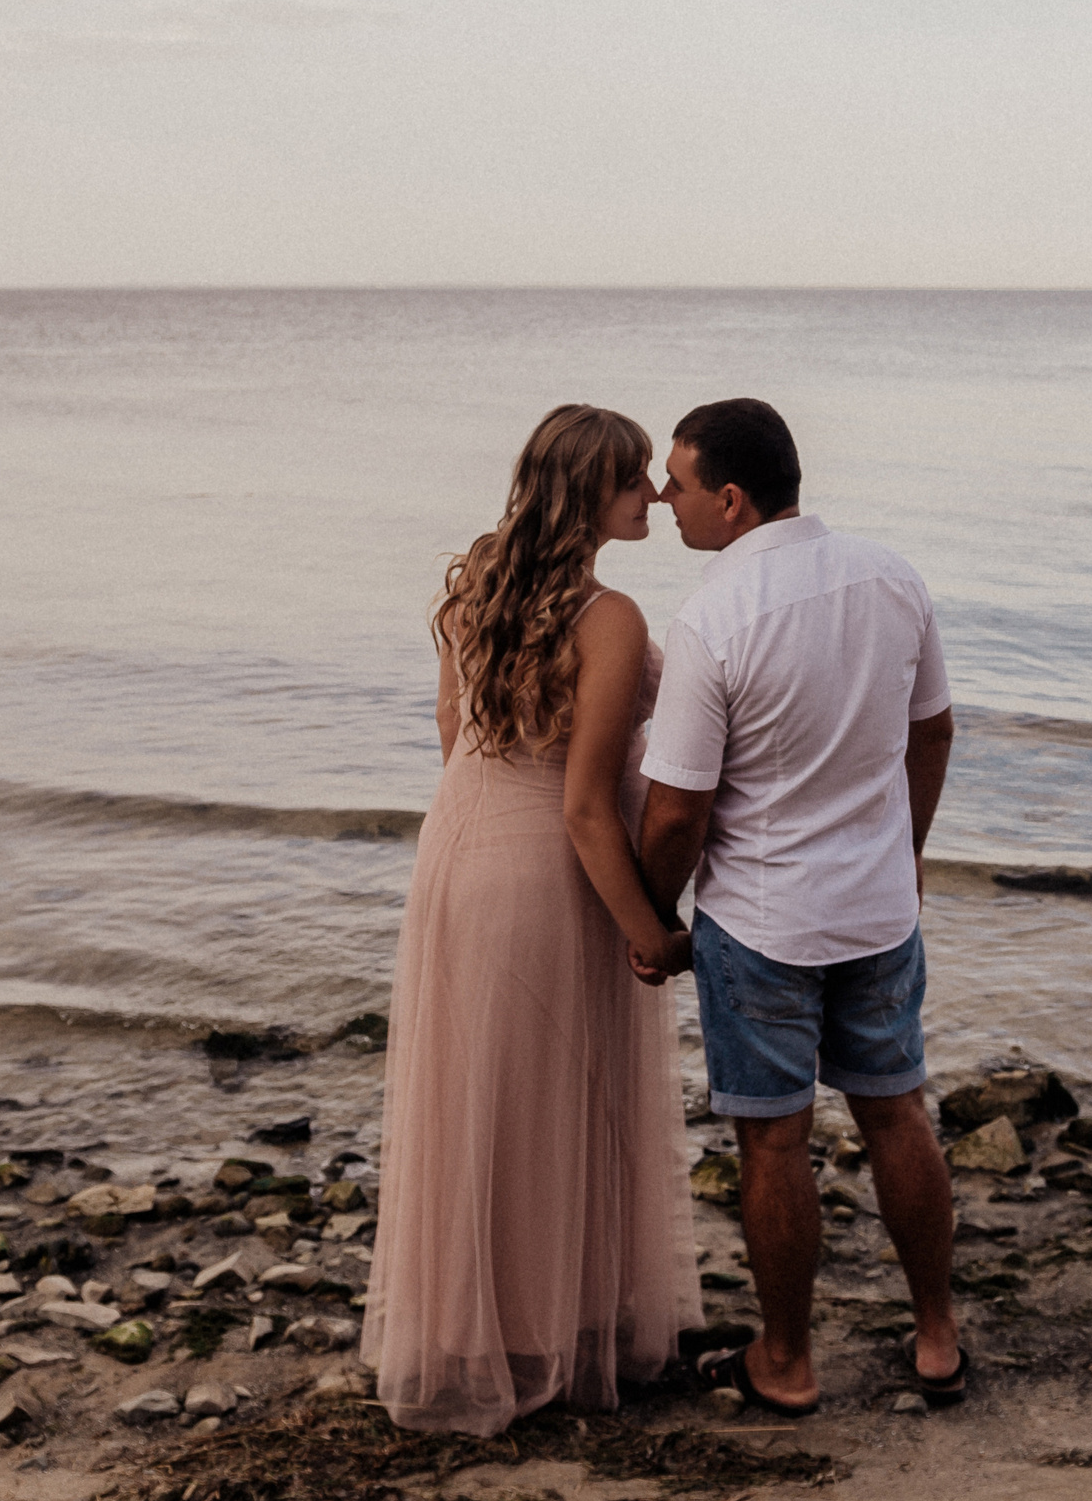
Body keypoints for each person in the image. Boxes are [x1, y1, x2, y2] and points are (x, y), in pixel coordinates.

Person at [364, 403, 703, 1437]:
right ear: (585, 492)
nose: (650, 493)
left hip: (454, 847)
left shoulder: (475, 582)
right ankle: (551, 1325)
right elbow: (586, 803)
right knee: (556, 1085)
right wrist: (648, 926)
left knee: (479, 1088)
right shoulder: (610, 618)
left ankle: (488, 1320)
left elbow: (451, 733)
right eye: (633, 477)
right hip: (543, 867)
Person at [635, 397, 964, 1416]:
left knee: (773, 1140)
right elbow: (934, 731)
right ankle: (937, 1336)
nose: (663, 499)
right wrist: (903, 850)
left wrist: (653, 913)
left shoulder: (711, 617)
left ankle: (784, 1358)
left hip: (763, 921)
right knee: (896, 1109)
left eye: (678, 484)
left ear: (729, 500)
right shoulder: (889, 574)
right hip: (876, 907)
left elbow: (679, 812)